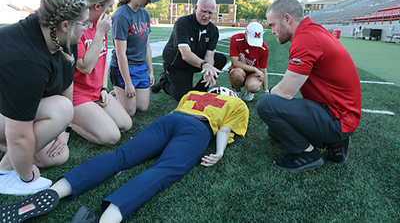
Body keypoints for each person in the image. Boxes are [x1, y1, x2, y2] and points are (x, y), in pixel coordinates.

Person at [0, 88, 249, 223]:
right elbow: (225, 129)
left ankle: (55, 191)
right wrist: (218, 152)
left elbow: (175, 111)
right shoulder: (238, 104)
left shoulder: (193, 94)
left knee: (122, 155)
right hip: (198, 128)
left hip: (169, 120)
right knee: (161, 171)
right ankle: (109, 218)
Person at [0, 0, 89, 195]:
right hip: (7, 114)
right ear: (66, 25)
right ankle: (4, 172)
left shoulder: (61, 37)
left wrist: (63, 130)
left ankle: (12, 158)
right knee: (60, 110)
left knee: (55, 155)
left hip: (10, 110)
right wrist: (26, 175)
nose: (87, 28)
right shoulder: (26, 59)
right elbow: (18, 136)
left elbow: (66, 84)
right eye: (85, 24)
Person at [256, 0, 362, 172]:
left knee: (266, 104)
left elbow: (287, 91)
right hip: (339, 112)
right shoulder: (314, 31)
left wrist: (270, 93)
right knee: (274, 130)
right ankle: (335, 143)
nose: (272, 31)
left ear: (287, 19)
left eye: (273, 25)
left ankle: (307, 154)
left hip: (338, 118)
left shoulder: (306, 38)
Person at [71, 0, 132, 145]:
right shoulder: (77, 27)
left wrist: (104, 88)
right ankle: (68, 120)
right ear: (97, 6)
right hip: (76, 93)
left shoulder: (100, 23)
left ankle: (90, 114)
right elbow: (85, 67)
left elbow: (102, 58)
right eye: (109, 6)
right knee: (112, 137)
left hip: (95, 90)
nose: (111, 10)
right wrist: (99, 33)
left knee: (126, 124)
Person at [151, 0, 227, 101]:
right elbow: (185, 54)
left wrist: (208, 72)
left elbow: (209, 54)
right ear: (196, 8)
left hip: (196, 60)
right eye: (203, 11)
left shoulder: (213, 30)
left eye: (210, 13)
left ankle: (199, 91)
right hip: (177, 64)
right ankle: (163, 81)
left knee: (220, 59)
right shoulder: (183, 23)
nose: (206, 16)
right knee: (183, 98)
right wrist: (204, 65)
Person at [109, 0, 160, 116]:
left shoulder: (144, 14)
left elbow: (147, 46)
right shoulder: (121, 16)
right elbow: (120, 54)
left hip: (140, 67)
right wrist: (128, 82)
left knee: (142, 108)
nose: (150, 1)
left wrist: (150, 71)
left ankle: (120, 95)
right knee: (130, 112)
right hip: (124, 68)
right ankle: (113, 96)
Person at [229, 22, 269, 101]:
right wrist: (254, 69)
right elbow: (235, 63)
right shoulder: (236, 39)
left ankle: (250, 91)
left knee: (253, 86)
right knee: (237, 73)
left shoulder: (264, 48)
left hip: (252, 75)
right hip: (240, 71)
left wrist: (266, 91)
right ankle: (238, 92)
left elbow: (263, 70)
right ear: (245, 34)